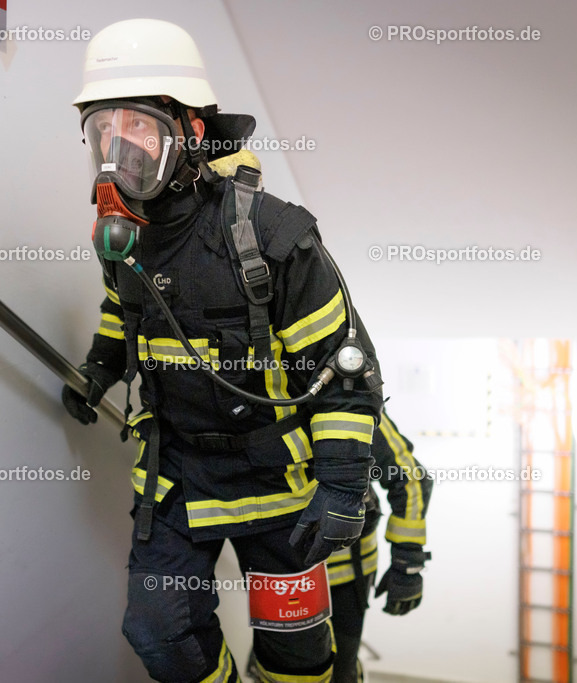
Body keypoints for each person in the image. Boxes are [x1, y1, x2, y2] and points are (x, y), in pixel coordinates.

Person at [62, 19, 384, 683]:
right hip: (176, 477)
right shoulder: (119, 238)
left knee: (296, 655)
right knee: (159, 632)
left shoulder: (271, 237)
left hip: (278, 483)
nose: (118, 147)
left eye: (139, 125)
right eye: (102, 129)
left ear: (192, 132)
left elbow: (345, 370)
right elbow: (126, 312)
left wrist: (344, 482)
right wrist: (101, 365)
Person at [324, 411, 432, 683]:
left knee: (341, 670)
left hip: (346, 574)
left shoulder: (350, 398)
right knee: (287, 670)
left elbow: (410, 478)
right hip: (276, 576)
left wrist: (407, 563)